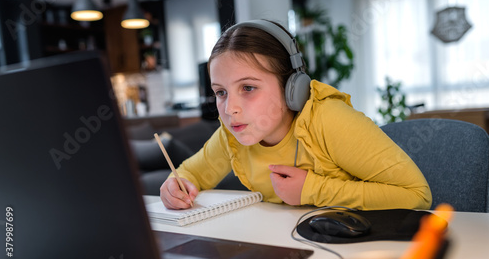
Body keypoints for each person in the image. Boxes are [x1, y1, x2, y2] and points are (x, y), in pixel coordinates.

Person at [160, 19, 432, 211]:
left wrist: (312, 190)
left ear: (292, 87)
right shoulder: (233, 133)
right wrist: (176, 186)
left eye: (248, 88)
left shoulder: (329, 120)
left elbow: (417, 195)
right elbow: (190, 174)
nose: (230, 108)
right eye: (221, 92)